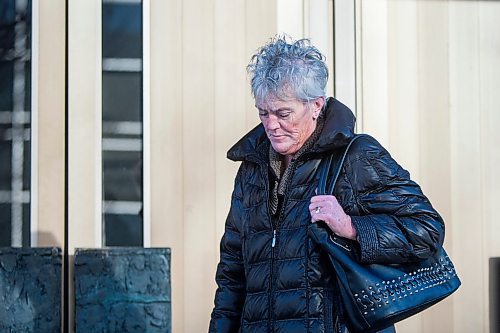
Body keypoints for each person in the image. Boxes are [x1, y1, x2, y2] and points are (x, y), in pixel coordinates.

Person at [209, 36, 444, 333]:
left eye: (283, 113)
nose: (271, 124)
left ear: (316, 105)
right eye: (263, 112)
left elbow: (427, 229)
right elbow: (232, 271)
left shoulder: (356, 157)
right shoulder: (252, 170)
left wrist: (351, 227)